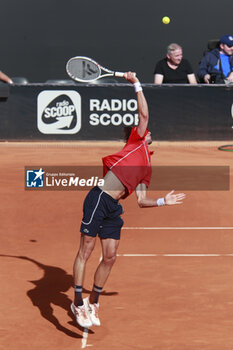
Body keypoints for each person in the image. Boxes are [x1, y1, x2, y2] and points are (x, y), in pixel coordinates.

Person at [71, 72, 186, 328]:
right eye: (146, 130)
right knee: (86, 250)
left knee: (110, 256)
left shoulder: (148, 166)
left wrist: (162, 202)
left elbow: (142, 201)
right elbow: (144, 115)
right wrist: (136, 84)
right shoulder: (136, 142)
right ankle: (78, 302)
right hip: (99, 198)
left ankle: (94, 301)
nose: (149, 131)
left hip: (114, 207)